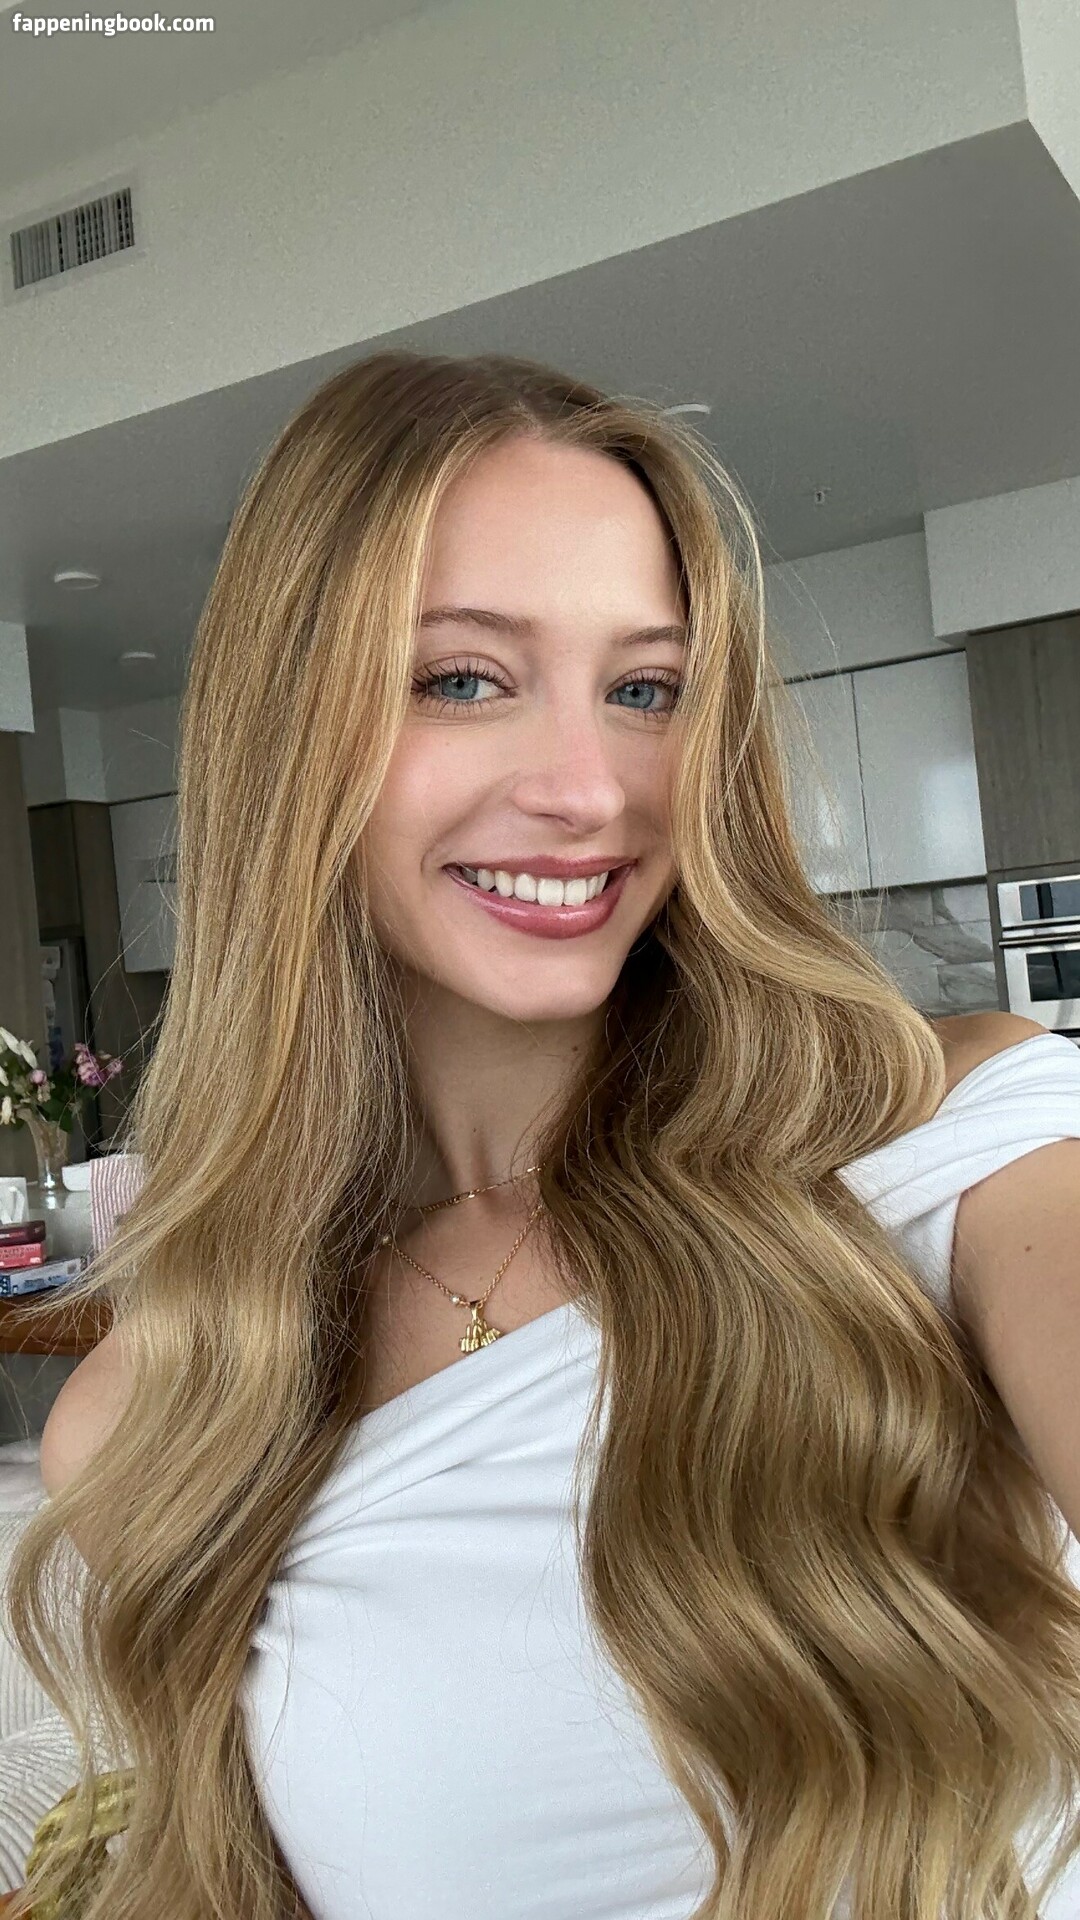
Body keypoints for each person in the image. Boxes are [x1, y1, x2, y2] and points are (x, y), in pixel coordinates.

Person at [6, 350, 1080, 1920]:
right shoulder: (165, 1414)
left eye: (647, 690)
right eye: (462, 678)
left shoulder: (965, 1152)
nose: (590, 790)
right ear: (285, 738)